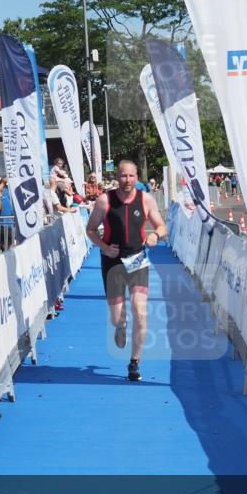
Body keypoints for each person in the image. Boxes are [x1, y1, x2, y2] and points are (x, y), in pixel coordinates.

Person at [85, 159, 168, 382]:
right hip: (113, 262)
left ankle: (134, 362)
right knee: (117, 318)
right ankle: (121, 327)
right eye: (123, 176)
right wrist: (104, 247)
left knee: (140, 312)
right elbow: (90, 230)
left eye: (131, 176)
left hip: (138, 260)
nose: (127, 180)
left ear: (137, 177)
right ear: (117, 177)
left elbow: (162, 226)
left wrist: (155, 235)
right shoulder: (105, 201)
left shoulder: (146, 199)